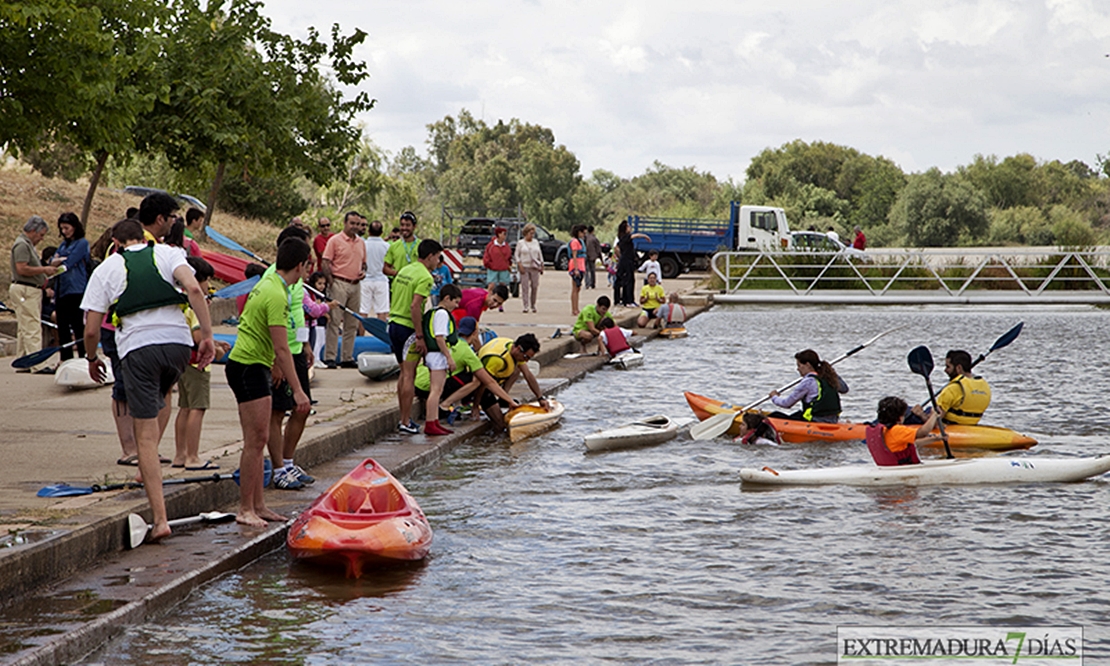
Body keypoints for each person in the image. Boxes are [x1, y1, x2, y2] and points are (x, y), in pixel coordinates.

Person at [82, 217, 216, 541]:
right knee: (163, 398)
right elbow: (195, 288)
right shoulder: (169, 253)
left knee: (144, 432)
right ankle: (150, 462)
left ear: (115, 243)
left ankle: (160, 520)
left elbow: (90, 329)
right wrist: (207, 336)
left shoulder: (106, 268)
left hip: (139, 349)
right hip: (178, 347)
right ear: (143, 237)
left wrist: (91, 358)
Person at [225, 237, 312, 527]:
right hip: (248, 367)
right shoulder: (276, 293)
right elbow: (282, 348)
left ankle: (258, 505)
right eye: (307, 265)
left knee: (259, 439)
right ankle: (245, 509)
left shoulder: (273, 280)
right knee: (255, 440)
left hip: (254, 365)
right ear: (300, 265)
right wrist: (298, 390)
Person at [265, 226, 322, 490]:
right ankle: (278, 469)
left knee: (303, 406)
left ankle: (288, 462)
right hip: (279, 354)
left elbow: (297, 312)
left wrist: (306, 344)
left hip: (296, 349)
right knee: (277, 412)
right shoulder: (273, 280)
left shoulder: (296, 281)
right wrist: (276, 362)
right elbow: (270, 321)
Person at [172, 256, 230, 470]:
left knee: (184, 407)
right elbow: (198, 336)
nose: (208, 287)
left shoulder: (182, 303)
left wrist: (214, 341)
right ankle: (193, 457)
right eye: (207, 281)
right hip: (198, 364)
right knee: (198, 407)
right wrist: (215, 349)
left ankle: (180, 455)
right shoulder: (197, 305)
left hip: (183, 362)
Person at [417, 316, 521, 421]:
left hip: (418, 381)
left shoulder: (449, 341)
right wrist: (510, 401)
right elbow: (489, 382)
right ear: (475, 332)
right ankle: (444, 406)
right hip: (428, 387)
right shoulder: (467, 352)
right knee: (476, 380)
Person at [389, 238, 443, 434]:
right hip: (408, 328)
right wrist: (420, 336)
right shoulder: (425, 277)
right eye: (437, 257)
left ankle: (404, 418)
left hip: (393, 324)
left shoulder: (405, 270)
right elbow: (415, 306)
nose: (438, 261)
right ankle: (404, 421)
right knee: (409, 375)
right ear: (430, 256)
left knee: (403, 373)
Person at [9, 216, 58, 373]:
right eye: (41, 235)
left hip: (30, 288)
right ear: (32, 231)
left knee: (25, 327)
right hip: (26, 289)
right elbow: (22, 269)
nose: (41, 239)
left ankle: (24, 360)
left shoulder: (26, 245)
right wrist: (44, 270)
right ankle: (37, 363)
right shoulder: (22, 245)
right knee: (32, 327)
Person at [474, 333, 549, 431]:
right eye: (526, 357)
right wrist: (475, 406)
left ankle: (502, 399)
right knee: (501, 424)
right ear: (518, 349)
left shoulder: (513, 349)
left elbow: (528, 375)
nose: (526, 361)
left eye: (529, 359)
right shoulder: (497, 359)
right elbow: (484, 383)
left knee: (517, 369)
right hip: (478, 385)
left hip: (494, 379)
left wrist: (540, 398)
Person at [321, 211, 366, 368]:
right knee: (334, 321)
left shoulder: (361, 242)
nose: (355, 226)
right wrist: (331, 282)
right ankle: (330, 357)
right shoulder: (335, 240)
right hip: (339, 283)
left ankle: (347, 357)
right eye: (352, 223)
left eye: (357, 224)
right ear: (345, 223)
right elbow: (325, 262)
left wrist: (363, 272)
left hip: (356, 285)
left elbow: (364, 263)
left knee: (352, 323)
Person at [419, 283, 462, 436]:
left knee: (437, 389)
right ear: (447, 298)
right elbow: (439, 338)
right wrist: (449, 358)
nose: (456, 306)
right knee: (436, 390)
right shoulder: (442, 314)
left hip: (435, 355)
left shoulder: (436, 312)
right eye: (455, 302)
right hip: (438, 355)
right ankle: (430, 423)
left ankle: (435, 421)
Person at [908, 350, 992, 426]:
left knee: (903, 410)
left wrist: (920, 414)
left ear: (958, 368)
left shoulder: (953, 388)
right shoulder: (984, 386)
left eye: (948, 367)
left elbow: (935, 422)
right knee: (930, 409)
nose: (945, 370)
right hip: (969, 423)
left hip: (949, 424)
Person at [50, 213, 90, 362]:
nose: (65, 232)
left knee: (78, 326)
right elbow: (52, 260)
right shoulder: (63, 245)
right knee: (63, 328)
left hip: (76, 290)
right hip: (62, 290)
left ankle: (83, 357)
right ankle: (65, 359)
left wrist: (59, 261)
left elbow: (69, 262)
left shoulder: (82, 243)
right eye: (62, 229)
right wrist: (56, 261)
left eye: (67, 228)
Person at [768, 349, 848, 423]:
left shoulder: (808, 382)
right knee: (797, 414)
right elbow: (844, 389)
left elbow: (786, 404)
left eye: (799, 365)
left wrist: (774, 397)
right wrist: (832, 373)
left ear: (807, 365)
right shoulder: (829, 377)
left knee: (774, 415)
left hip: (814, 421)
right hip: (832, 420)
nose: (797, 369)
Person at [867, 396, 943, 466]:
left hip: (888, 467)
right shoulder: (898, 430)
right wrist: (934, 415)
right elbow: (923, 432)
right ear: (900, 418)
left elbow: (914, 443)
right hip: (902, 468)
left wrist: (935, 439)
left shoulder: (883, 430)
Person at [614, 220, 650, 308]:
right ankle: (628, 300)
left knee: (627, 280)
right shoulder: (625, 237)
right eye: (628, 226)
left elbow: (617, 247)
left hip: (626, 260)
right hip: (626, 261)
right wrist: (644, 236)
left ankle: (623, 299)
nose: (630, 228)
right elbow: (635, 236)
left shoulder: (622, 238)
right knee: (628, 280)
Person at [360, 219, 390, 320]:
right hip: (381, 279)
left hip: (365, 279)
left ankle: (361, 335)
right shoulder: (387, 246)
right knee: (382, 311)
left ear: (369, 231)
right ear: (382, 233)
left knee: (363, 310)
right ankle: (380, 335)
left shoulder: (363, 245)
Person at [305, 271, 333, 368]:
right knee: (317, 341)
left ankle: (318, 358)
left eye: (324, 284)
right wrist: (326, 314)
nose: (322, 286)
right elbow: (316, 307)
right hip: (317, 322)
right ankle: (315, 358)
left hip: (321, 322)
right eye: (319, 284)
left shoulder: (322, 295)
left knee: (322, 341)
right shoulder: (313, 294)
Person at [515, 223, 543, 313]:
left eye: (533, 233)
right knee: (525, 287)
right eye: (530, 233)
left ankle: (533, 304)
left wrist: (541, 264)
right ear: (526, 233)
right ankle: (525, 305)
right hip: (524, 266)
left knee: (534, 286)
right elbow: (516, 255)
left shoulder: (535, 242)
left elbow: (539, 254)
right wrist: (519, 265)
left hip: (534, 267)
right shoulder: (521, 243)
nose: (532, 235)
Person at [382, 211, 420, 277]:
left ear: (414, 226)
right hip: (399, 284)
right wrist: (397, 273)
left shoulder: (421, 245)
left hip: (416, 284)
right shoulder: (394, 245)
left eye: (408, 225)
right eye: (402, 225)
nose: (404, 228)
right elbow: (385, 268)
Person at [568, 224, 587, 315]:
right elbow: (574, 256)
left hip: (581, 265)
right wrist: (576, 269)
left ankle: (576, 308)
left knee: (578, 288)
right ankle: (574, 308)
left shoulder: (580, 241)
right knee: (575, 288)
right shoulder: (574, 242)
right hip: (576, 266)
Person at [585, 225, 603, 289]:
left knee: (586, 270)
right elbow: (598, 249)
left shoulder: (585, 238)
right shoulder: (594, 239)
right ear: (593, 231)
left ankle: (587, 283)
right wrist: (601, 258)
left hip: (585, 255)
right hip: (592, 256)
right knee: (592, 270)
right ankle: (592, 283)